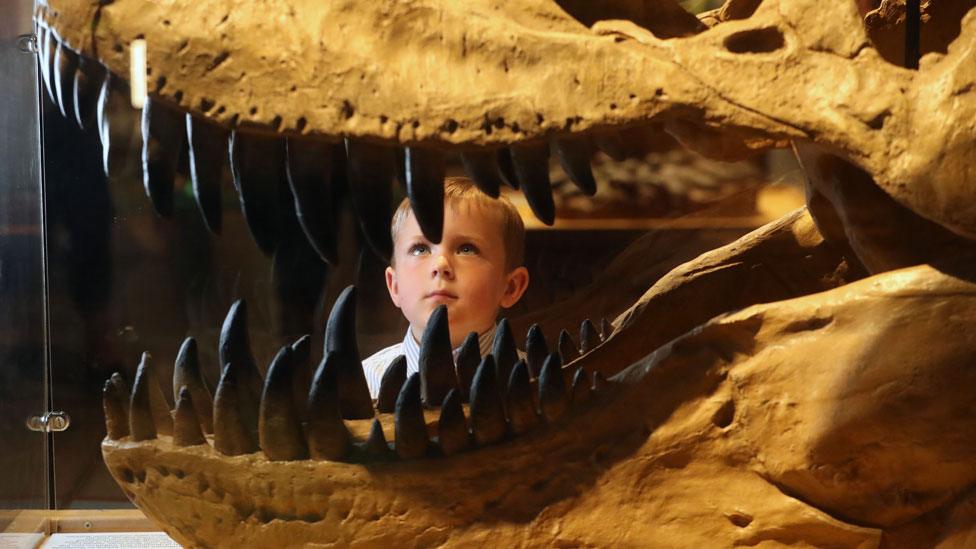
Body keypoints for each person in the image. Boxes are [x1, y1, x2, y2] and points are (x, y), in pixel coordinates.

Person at [362, 176, 530, 398]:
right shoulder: (364, 383)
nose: (441, 265)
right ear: (394, 286)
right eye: (420, 249)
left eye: (467, 249)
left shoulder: (535, 379)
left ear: (510, 287)